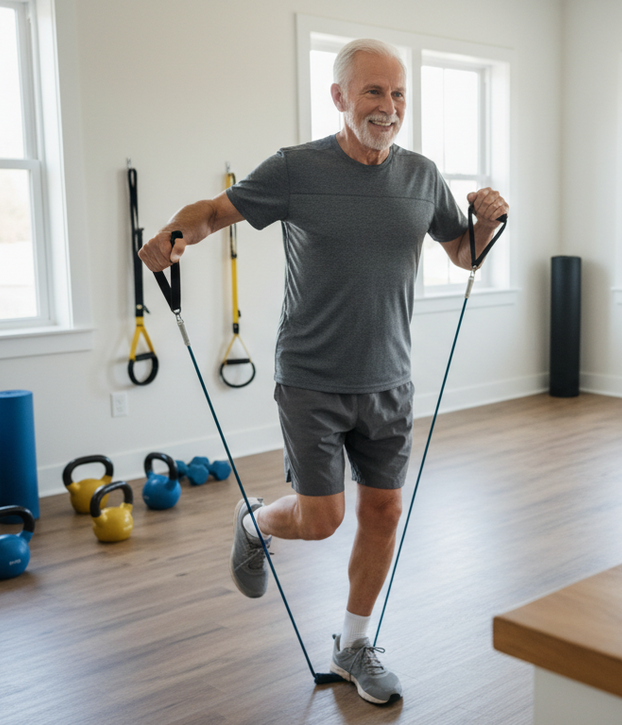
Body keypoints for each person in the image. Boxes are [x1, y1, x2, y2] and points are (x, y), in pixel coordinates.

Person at [137, 38, 508, 706]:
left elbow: (461, 251)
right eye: (374, 92)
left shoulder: (422, 176)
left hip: (390, 378)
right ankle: (255, 523)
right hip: (310, 375)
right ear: (339, 97)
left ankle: (354, 645)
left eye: (398, 94)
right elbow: (217, 212)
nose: (388, 107)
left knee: (383, 511)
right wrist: (172, 236)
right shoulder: (295, 169)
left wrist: (484, 223)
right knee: (321, 518)